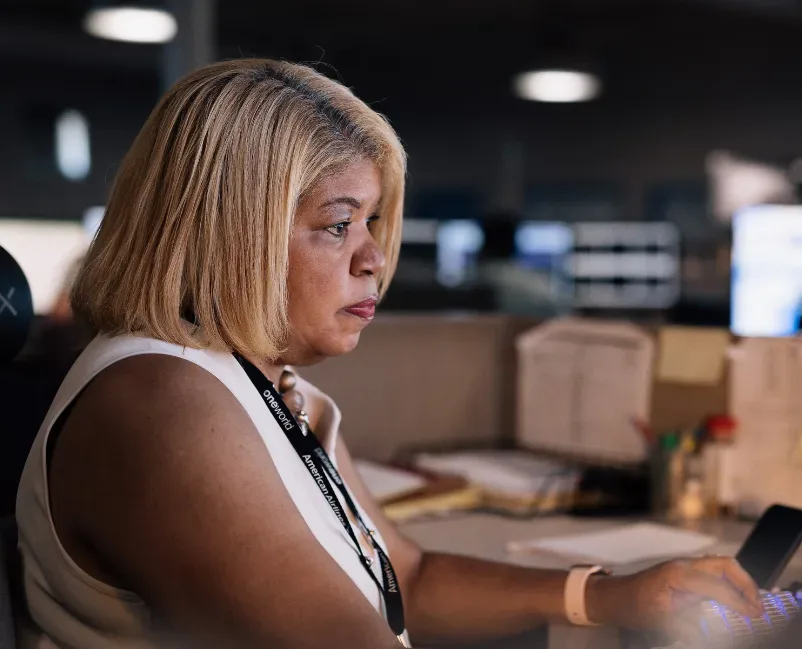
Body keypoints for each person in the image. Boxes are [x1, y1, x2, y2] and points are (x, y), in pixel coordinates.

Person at [15, 59, 762, 649]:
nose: (375, 256)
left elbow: (411, 575)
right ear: (230, 233)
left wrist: (606, 594)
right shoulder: (162, 403)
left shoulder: (257, 385)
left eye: (371, 221)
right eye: (337, 225)